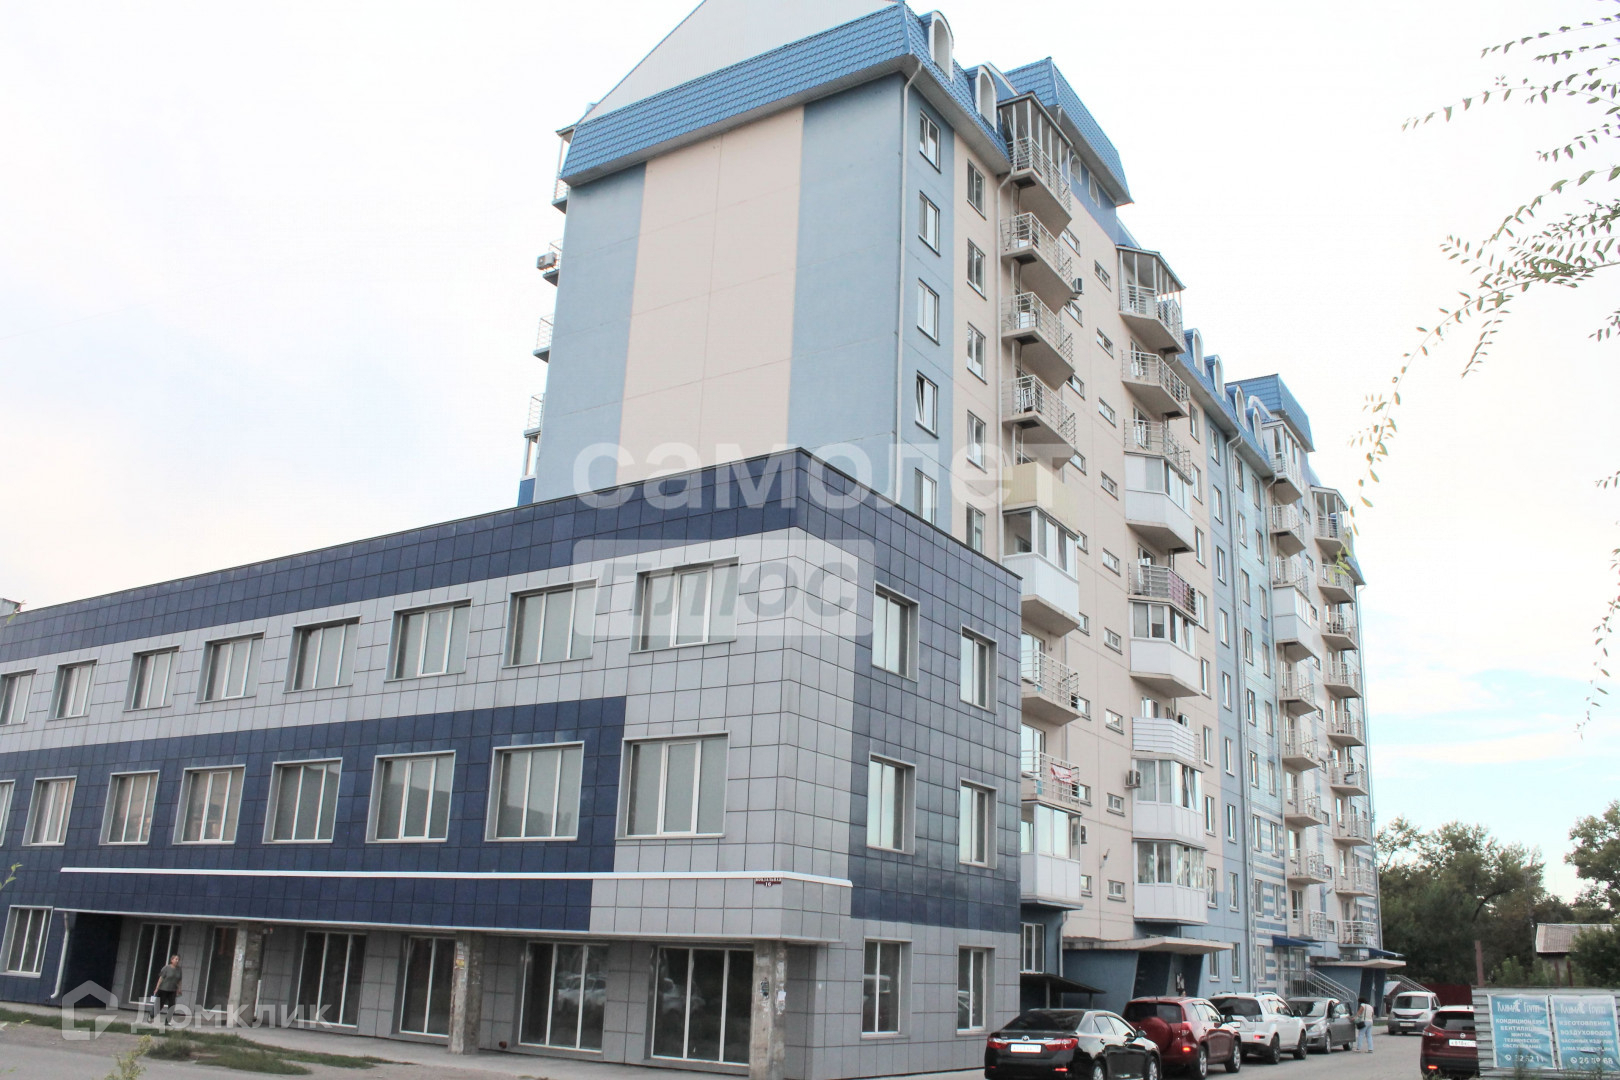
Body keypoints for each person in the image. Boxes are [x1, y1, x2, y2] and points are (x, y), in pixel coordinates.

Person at [152, 954, 183, 1028]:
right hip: (163, 989)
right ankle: (152, 1015)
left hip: (173, 990)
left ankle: (167, 1021)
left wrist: (179, 989)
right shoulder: (166, 968)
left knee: (172, 1006)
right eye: (176, 959)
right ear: (171, 960)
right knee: (160, 1005)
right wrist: (157, 988)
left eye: (178, 959)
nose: (177, 961)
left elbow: (179, 980)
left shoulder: (179, 969)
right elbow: (161, 978)